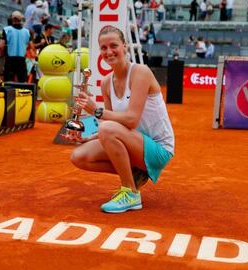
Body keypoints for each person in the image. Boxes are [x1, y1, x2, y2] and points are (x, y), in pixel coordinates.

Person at [69, 26, 175, 213]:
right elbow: (109, 125)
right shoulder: (106, 83)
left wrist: (96, 110)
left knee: (107, 129)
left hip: (158, 150)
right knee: (78, 156)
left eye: (114, 45)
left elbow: (131, 120)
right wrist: (86, 138)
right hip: (133, 144)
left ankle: (131, 193)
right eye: (103, 48)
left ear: (125, 47)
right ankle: (135, 173)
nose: (109, 52)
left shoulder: (140, 72)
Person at [0, 11, 30, 82]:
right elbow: (30, 45)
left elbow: (1, 46)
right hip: (21, 60)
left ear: (12, 19)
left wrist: (1, 55)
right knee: (22, 82)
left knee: (8, 82)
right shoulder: (26, 32)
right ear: (21, 19)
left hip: (10, 59)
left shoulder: (7, 30)